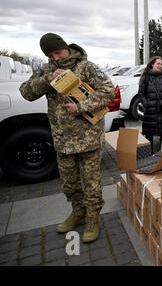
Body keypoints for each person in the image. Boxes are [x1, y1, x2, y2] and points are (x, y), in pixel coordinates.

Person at [19, 33, 115, 243]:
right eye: (50, 54)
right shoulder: (46, 70)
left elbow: (108, 91)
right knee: (70, 183)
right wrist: (47, 80)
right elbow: (26, 92)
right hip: (62, 139)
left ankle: (92, 218)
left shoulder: (86, 67)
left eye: (58, 52)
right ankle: (78, 213)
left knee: (91, 183)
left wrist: (81, 107)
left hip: (88, 137)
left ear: (66, 48)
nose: (56, 58)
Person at [138, 56, 162, 153]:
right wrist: (146, 104)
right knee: (151, 135)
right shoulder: (145, 77)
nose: (160, 66)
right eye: (158, 63)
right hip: (151, 112)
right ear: (152, 64)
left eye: (161, 64)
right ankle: (152, 155)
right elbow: (141, 94)